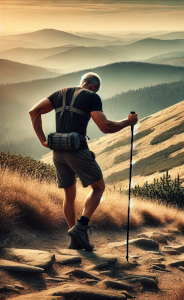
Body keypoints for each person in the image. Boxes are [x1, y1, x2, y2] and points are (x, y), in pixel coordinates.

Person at [29, 72, 138, 251]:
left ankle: (75, 239)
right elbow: (105, 127)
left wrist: (42, 140)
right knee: (99, 187)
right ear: (94, 87)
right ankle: (81, 228)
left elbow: (33, 112)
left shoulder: (59, 93)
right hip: (77, 150)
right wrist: (128, 122)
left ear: (82, 83)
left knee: (69, 197)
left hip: (58, 151)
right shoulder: (91, 97)